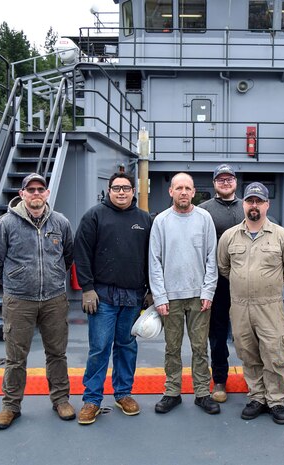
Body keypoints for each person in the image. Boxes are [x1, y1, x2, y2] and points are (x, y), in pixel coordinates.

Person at [0, 173, 75, 430]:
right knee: (15, 357)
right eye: (30, 189)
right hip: (19, 301)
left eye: (40, 189)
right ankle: (11, 406)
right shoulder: (5, 224)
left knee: (57, 353)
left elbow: (68, 255)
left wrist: (54, 277)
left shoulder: (61, 223)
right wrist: (14, 280)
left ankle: (61, 399)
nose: (36, 193)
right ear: (22, 194)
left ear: (46, 193)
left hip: (54, 299)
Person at [218, 182, 284, 425]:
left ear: (267, 205)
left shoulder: (282, 236)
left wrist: (270, 282)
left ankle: (275, 400)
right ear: (244, 204)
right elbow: (224, 267)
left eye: (259, 201)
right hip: (240, 306)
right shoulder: (229, 236)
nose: (254, 206)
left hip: (269, 306)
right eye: (250, 201)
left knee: (274, 353)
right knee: (248, 353)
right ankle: (257, 397)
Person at [73, 173, 152, 425]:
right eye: (116, 188)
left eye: (125, 188)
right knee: (100, 347)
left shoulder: (144, 220)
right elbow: (81, 252)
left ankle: (123, 393)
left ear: (133, 191)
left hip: (133, 296)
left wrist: (150, 289)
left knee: (127, 346)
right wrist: (87, 288)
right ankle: (92, 399)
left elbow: (152, 256)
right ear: (108, 190)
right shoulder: (94, 216)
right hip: (102, 295)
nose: (121, 192)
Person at [149, 172, 220, 415]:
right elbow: (154, 261)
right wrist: (159, 296)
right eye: (178, 188)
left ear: (193, 192)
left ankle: (202, 393)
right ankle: (172, 392)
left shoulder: (204, 218)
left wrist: (208, 291)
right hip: (171, 297)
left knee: (200, 347)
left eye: (187, 188)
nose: (183, 192)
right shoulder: (161, 221)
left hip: (199, 296)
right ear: (171, 192)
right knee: (172, 347)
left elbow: (213, 257)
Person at [198, 164, 245, 403]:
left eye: (230, 178)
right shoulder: (203, 211)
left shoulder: (249, 207)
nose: (226, 182)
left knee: (248, 333)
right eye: (221, 179)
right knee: (216, 335)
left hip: (246, 284)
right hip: (216, 284)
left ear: (236, 182)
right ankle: (219, 379)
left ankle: (254, 378)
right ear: (214, 182)